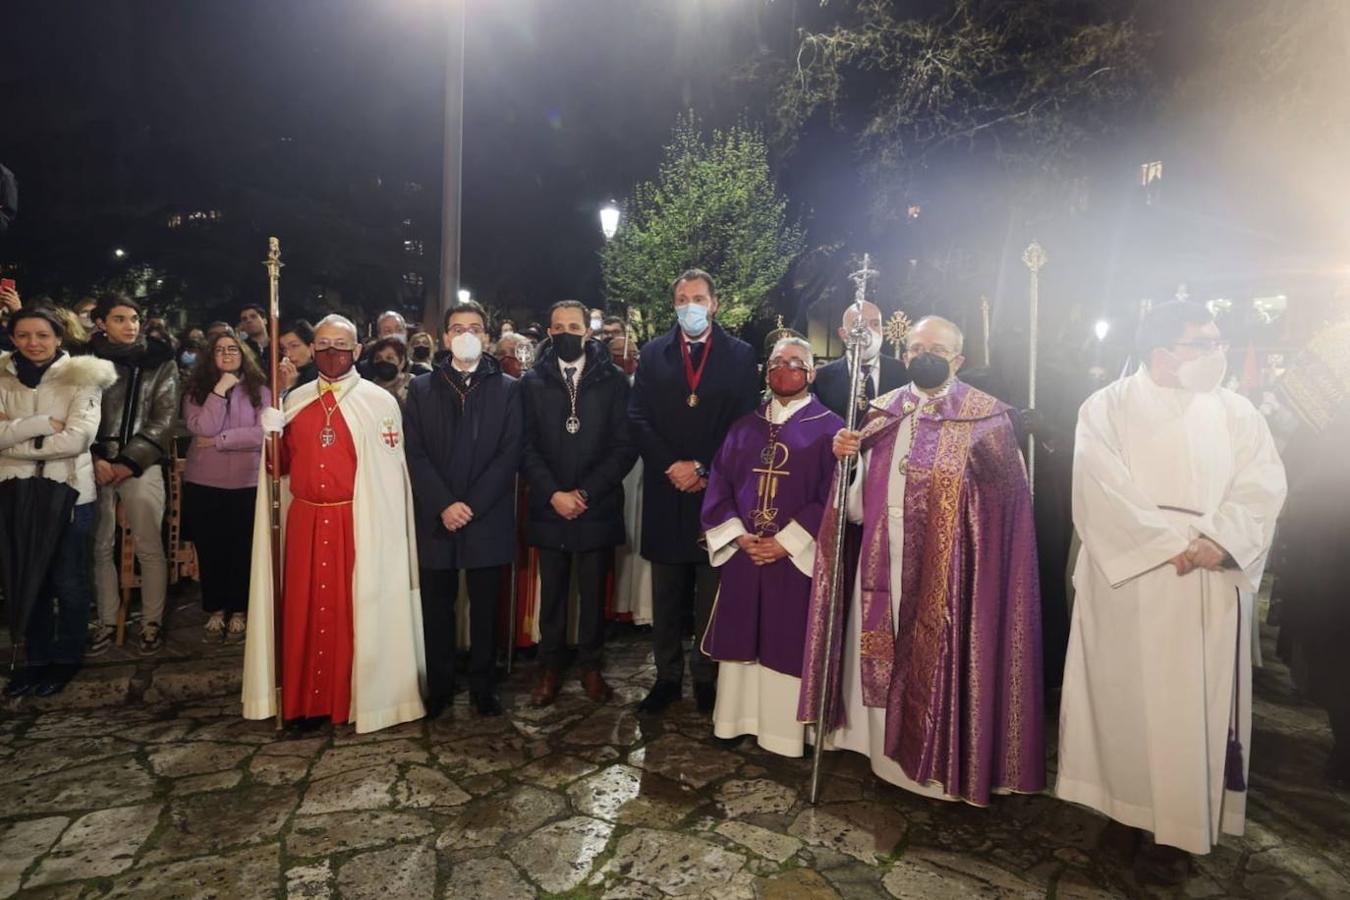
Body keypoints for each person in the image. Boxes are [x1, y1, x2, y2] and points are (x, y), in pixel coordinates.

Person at [1057, 302, 1286, 883]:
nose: (1218, 352)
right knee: (1122, 700)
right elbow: (1099, 486)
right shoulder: (1106, 406)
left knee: (1190, 709)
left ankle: (1176, 833)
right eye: (1202, 343)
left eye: (1216, 341)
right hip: (1130, 579)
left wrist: (1220, 540)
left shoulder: (1237, 412)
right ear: (1162, 352)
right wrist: (1169, 546)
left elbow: (1263, 485)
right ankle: (1123, 813)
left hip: (1204, 583)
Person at [799, 315, 1045, 804]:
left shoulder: (988, 419)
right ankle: (877, 749)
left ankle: (938, 761)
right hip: (882, 561)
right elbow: (853, 505)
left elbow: (1005, 518)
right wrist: (847, 461)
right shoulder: (882, 410)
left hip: (951, 575)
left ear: (959, 358)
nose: (922, 355)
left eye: (935, 347)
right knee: (880, 644)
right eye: (913, 348)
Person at [242, 315, 425, 733]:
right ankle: (305, 701)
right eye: (322, 343)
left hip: (356, 522)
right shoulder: (296, 400)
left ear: (357, 351)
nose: (331, 352)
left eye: (340, 344)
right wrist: (270, 435)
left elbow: (388, 478)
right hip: (304, 520)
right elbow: (279, 471)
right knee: (303, 610)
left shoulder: (380, 404)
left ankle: (353, 698)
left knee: (351, 612)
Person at [700, 337, 841, 755]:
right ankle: (734, 721)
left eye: (796, 362)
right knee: (740, 632)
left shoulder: (830, 429)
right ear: (766, 371)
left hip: (793, 557)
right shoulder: (744, 427)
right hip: (746, 553)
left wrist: (786, 543)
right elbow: (720, 484)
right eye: (777, 361)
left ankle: (784, 735)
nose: (785, 368)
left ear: (811, 373)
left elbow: (832, 494)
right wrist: (738, 536)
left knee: (787, 635)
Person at [628, 268, 759, 715]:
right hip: (668, 487)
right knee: (665, 592)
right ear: (674, 305)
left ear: (714, 303)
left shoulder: (741, 355)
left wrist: (703, 466)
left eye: (699, 297)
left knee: (710, 588)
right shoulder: (653, 353)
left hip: (717, 489)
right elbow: (638, 416)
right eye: (682, 298)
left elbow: (744, 422)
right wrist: (673, 465)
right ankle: (666, 677)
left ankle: (706, 676)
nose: (691, 306)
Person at [404, 300, 522, 717]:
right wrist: (444, 504)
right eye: (457, 328)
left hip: (486, 515)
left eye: (474, 327)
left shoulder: (508, 388)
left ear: (487, 337)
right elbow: (414, 454)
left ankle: (483, 685)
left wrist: (470, 505)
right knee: (437, 607)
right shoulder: (420, 388)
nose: (466, 335)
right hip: (437, 517)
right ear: (444, 337)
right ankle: (439, 686)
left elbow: (510, 453)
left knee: (486, 608)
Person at [520, 300, 638, 707]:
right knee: (551, 595)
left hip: (596, 505)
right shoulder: (532, 381)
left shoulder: (613, 381)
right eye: (558, 326)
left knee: (593, 596)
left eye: (575, 324)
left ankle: (591, 667)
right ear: (549, 332)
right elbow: (525, 445)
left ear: (589, 331)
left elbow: (625, 447)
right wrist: (553, 493)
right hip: (549, 505)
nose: (566, 332)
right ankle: (548, 669)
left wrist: (585, 493)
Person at [0, 307, 116, 696]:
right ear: (13, 338)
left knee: (68, 580)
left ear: (58, 338)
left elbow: (78, 439)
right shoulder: (2, 374)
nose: (33, 343)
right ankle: (35, 658)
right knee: (25, 576)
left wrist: (11, 438)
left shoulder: (83, 377)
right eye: (23, 335)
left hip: (68, 492)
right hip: (14, 491)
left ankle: (66, 657)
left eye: (42, 335)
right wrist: (41, 426)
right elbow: (58, 437)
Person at [1274, 318, 1350, 787]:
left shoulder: (1324, 427)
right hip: (1329, 559)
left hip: (1327, 558)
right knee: (1334, 653)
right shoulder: (1325, 427)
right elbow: (1296, 479)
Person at [88, 295, 179, 656]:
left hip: (141, 462)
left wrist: (130, 461)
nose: (130, 325)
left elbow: (164, 418)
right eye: (120, 319)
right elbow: (80, 413)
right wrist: (95, 457)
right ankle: (107, 620)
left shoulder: (159, 360)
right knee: (99, 545)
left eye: (135, 318)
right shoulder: (86, 362)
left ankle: (151, 621)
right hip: (97, 464)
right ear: (101, 324)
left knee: (149, 544)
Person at [181, 332, 270, 644]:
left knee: (242, 550)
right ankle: (215, 608)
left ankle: (239, 609)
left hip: (246, 483)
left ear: (243, 353)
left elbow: (262, 434)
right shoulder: (197, 390)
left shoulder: (259, 390)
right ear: (210, 356)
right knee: (211, 549)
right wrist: (219, 390)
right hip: (205, 483)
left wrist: (220, 441)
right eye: (220, 350)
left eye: (233, 348)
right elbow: (201, 427)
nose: (227, 354)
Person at [811, 301, 906, 419]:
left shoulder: (903, 373)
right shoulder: (821, 379)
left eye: (875, 324)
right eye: (860, 325)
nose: (869, 331)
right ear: (843, 333)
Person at [363, 336, 413, 406]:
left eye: (390, 358)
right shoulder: (368, 388)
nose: (383, 361)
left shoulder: (413, 386)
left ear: (402, 362)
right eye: (378, 358)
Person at [277, 319, 318, 395]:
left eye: (294, 346)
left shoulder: (320, 376)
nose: (288, 354)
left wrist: (289, 387)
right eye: (284, 349)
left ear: (311, 347)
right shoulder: (285, 375)